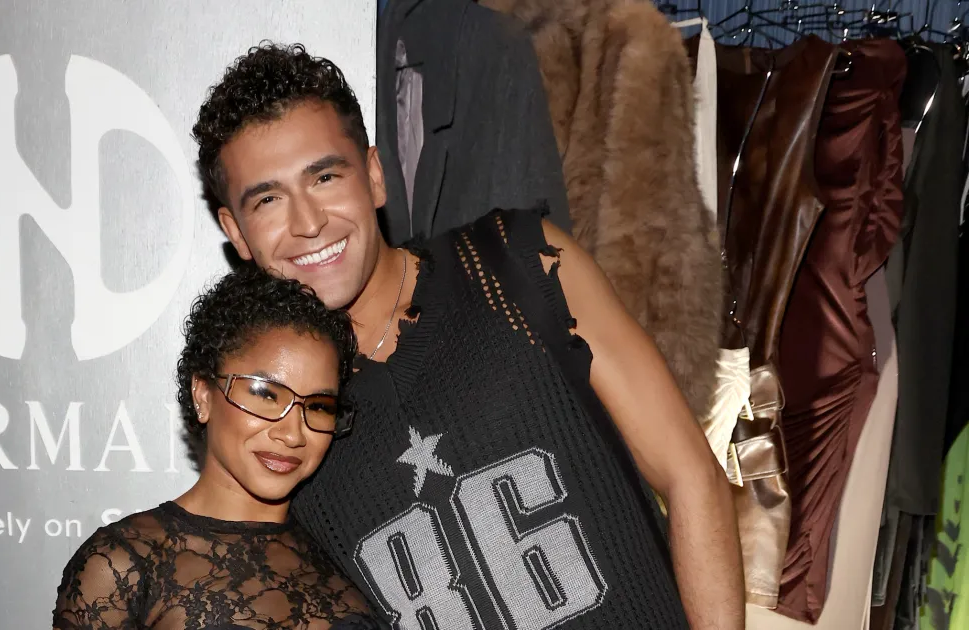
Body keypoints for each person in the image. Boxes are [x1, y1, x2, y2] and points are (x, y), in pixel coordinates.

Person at [191, 43, 744, 629]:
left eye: (325, 177)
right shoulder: (274, 419)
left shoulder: (517, 262)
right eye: (269, 199)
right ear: (237, 233)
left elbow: (690, 476)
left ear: (374, 176)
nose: (308, 223)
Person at [52, 267, 382, 629]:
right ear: (203, 395)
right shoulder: (122, 566)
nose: (292, 434)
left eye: (318, 406)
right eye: (265, 395)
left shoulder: (351, 556)